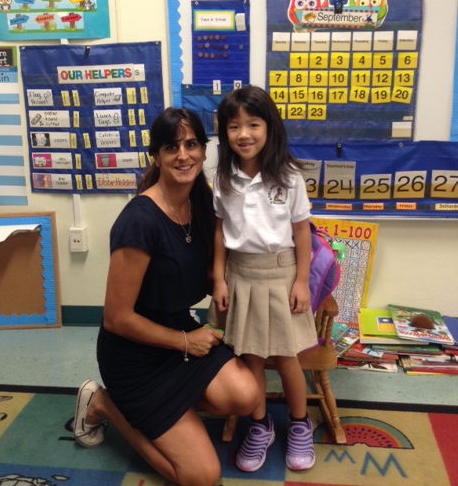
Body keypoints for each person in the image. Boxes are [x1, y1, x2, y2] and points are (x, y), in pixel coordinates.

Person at [73, 107, 260, 486]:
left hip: (179, 333)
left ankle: (173, 411)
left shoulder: (203, 204)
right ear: (156, 156)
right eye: (171, 147)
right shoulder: (139, 220)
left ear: (204, 151)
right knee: (202, 476)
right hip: (134, 356)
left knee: (245, 395)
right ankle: (105, 404)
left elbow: (216, 269)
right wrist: (186, 341)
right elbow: (117, 319)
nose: (183, 155)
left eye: (191, 144)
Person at [211, 85, 317, 473]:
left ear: (269, 127)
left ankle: (300, 424)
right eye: (233, 126)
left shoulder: (289, 176)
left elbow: (302, 232)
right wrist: (219, 278)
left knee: (287, 359)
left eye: (253, 124)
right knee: (250, 357)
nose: (244, 134)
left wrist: (301, 281)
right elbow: (220, 231)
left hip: (282, 274)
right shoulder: (223, 178)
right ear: (224, 133)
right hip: (241, 275)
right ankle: (260, 425)